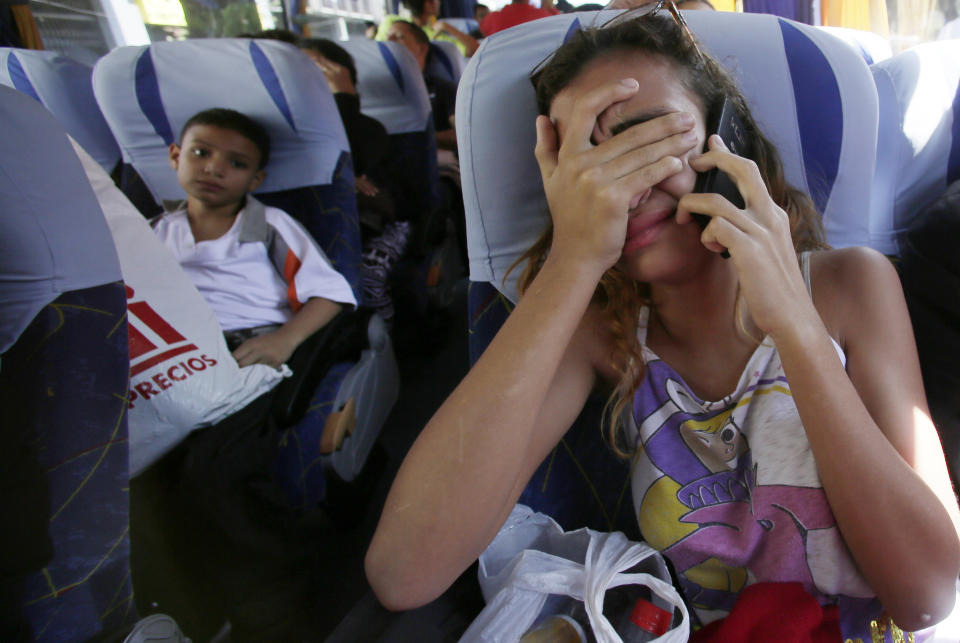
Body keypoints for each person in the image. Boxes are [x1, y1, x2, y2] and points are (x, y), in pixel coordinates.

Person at [365, 9, 960, 640]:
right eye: (590, 166)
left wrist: (795, 325)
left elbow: (928, 595)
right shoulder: (600, 331)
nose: (625, 186)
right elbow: (405, 572)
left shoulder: (850, 286)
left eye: (646, 140)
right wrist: (574, 257)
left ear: (727, 143)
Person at [153, 108, 356, 368]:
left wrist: (285, 340)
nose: (214, 168)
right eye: (201, 153)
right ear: (175, 156)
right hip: (172, 350)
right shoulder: (155, 230)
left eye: (237, 163)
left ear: (255, 180)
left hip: (249, 345)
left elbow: (330, 294)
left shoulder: (269, 224)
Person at [386, 20, 459, 153]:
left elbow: (461, 136)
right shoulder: (380, 91)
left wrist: (415, 137)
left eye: (399, 36)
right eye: (388, 36)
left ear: (422, 48)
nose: (389, 40)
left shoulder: (443, 88)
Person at [377, 0, 480, 57]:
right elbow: (475, 49)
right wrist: (448, 27)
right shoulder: (436, 35)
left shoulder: (389, 21)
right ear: (428, 4)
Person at [479, 0, 561, 37]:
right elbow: (561, 28)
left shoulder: (493, 18)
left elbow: (484, 33)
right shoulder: (545, 16)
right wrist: (549, 7)